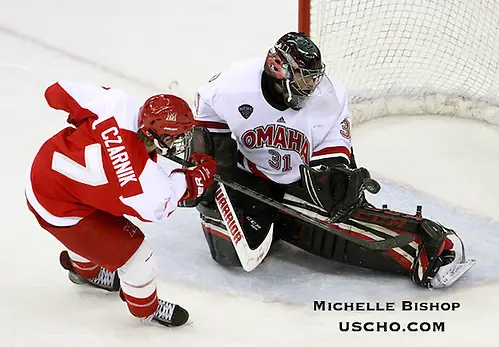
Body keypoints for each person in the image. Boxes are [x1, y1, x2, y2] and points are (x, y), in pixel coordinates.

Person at [188, 31, 475, 288]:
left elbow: (335, 153)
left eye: (314, 76)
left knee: (336, 213)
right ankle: (276, 217)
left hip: (301, 181)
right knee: (229, 254)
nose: (312, 85)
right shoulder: (232, 85)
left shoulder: (330, 98)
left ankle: (427, 245)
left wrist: (335, 179)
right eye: (304, 76)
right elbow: (206, 126)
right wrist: (209, 170)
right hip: (249, 177)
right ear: (279, 70)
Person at [25, 80, 216, 327]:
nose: (180, 142)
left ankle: (85, 271)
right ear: (156, 134)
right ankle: (146, 309)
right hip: (59, 208)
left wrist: (94, 132)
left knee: (97, 220)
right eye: (175, 137)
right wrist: (196, 177)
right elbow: (163, 205)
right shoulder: (144, 180)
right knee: (138, 257)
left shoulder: (117, 104)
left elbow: (55, 92)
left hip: (46, 171)